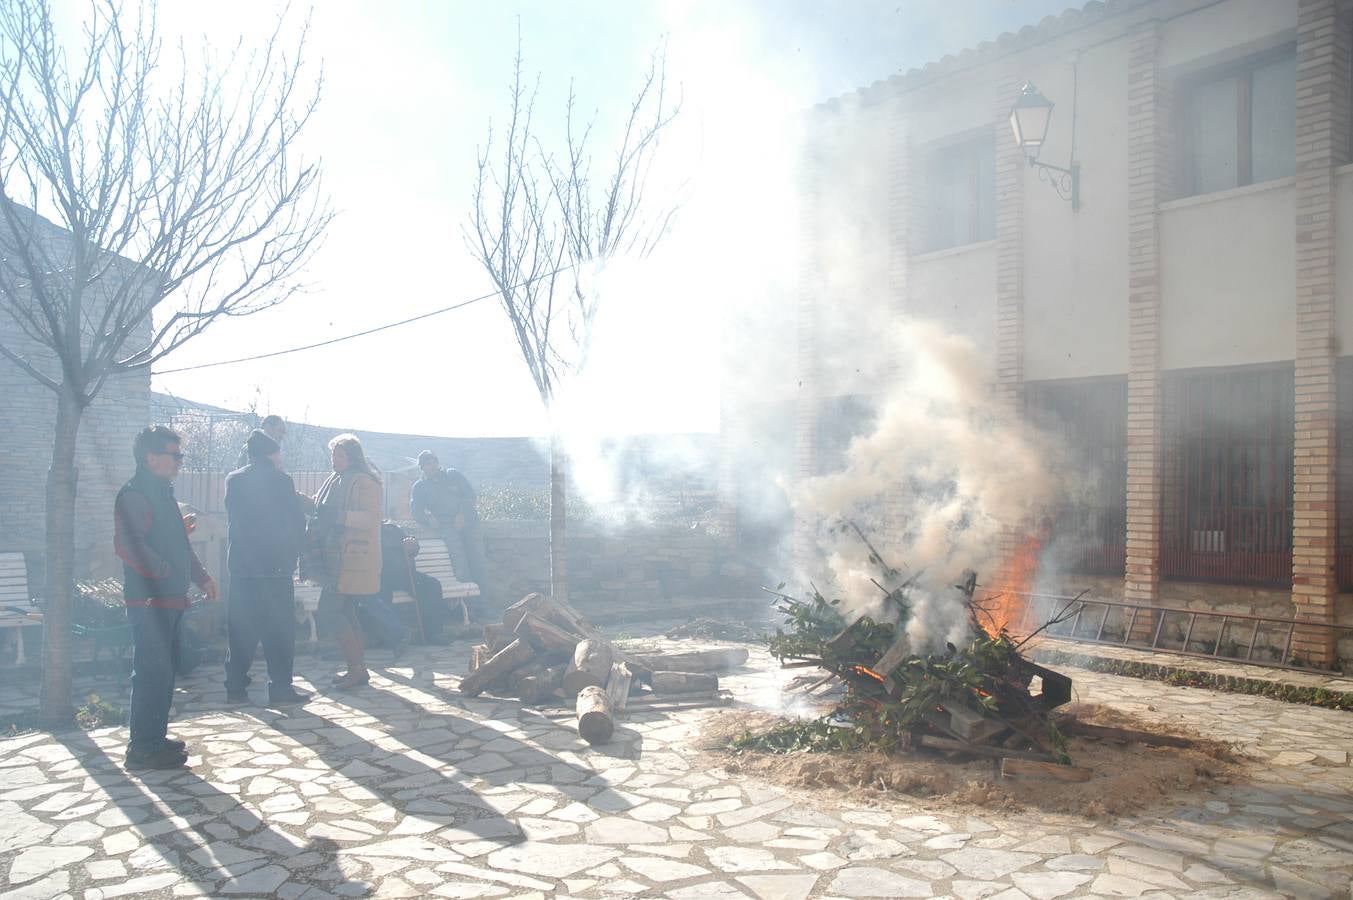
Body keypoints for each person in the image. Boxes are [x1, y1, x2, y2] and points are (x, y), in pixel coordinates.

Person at [114, 425, 219, 770]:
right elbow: (129, 546)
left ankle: (153, 738)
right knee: (151, 673)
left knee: (163, 672)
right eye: (175, 456)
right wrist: (165, 572)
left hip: (169, 599)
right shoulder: (135, 495)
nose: (180, 462)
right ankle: (142, 747)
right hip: (149, 601)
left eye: (180, 455)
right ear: (151, 458)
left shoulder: (162, 493)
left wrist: (201, 576)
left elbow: (178, 545)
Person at [223, 429, 308, 706]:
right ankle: (280, 687)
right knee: (279, 629)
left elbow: (234, 520)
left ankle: (235, 685)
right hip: (275, 567)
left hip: (242, 567)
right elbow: (295, 522)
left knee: (241, 629)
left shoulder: (233, 480)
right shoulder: (281, 481)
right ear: (272, 454)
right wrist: (292, 556)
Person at [307, 433, 382, 690]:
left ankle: (357, 668)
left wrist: (338, 516)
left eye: (339, 455)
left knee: (329, 611)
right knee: (346, 611)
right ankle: (358, 669)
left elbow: (370, 519)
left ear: (352, 457)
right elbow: (321, 510)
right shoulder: (334, 480)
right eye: (333, 455)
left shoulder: (364, 482)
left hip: (350, 557)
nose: (334, 460)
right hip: (334, 557)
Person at [409, 451, 485, 590]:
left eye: (434, 462)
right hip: (447, 528)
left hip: (470, 523)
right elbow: (416, 512)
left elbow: (470, 496)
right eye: (428, 464)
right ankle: (469, 606)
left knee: (478, 563)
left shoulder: (453, 475)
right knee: (460, 565)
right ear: (422, 467)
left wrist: (462, 514)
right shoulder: (419, 487)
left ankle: (484, 606)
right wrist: (428, 519)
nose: (432, 466)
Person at [376, 521, 448, 644]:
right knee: (381, 594)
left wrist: (412, 545)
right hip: (379, 576)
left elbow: (413, 547)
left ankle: (433, 633)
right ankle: (386, 637)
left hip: (404, 574)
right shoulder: (367, 531)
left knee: (431, 585)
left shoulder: (393, 529)